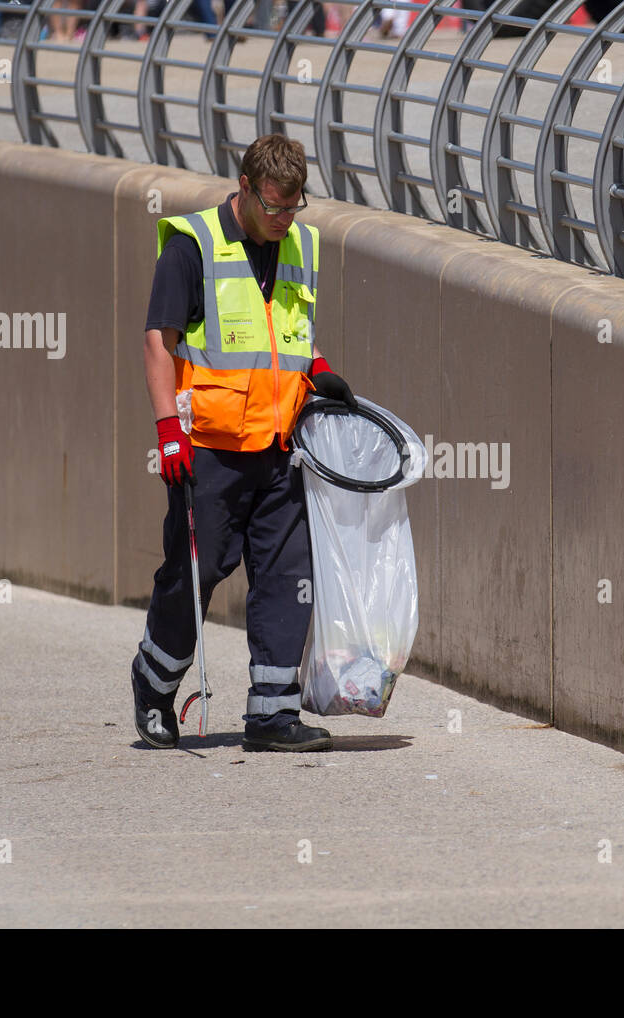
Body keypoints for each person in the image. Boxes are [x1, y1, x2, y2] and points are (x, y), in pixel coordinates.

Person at [131, 134, 357, 752]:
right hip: (208, 448)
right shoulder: (192, 245)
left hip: (280, 449)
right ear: (247, 189)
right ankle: (154, 685)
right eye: (276, 207)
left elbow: (289, 334)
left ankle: (273, 714)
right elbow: (160, 342)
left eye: (295, 206)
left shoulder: (302, 245)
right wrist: (167, 433)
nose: (286, 219)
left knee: (288, 578)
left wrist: (319, 369)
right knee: (193, 575)